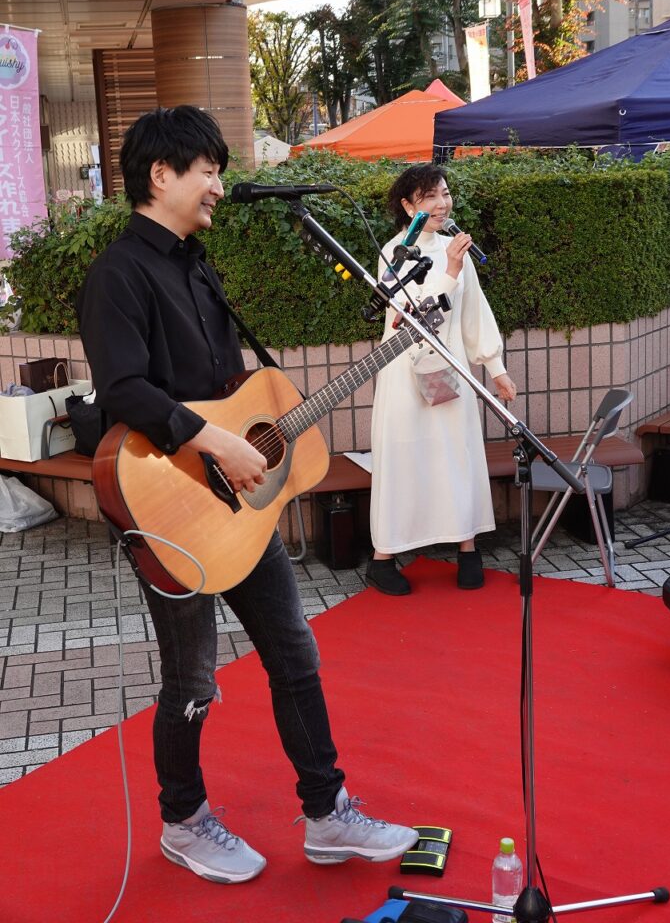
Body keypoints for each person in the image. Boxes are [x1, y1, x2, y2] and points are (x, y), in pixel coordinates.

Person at [76, 106, 417, 885]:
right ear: (160, 174)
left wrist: (250, 433)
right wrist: (216, 441)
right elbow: (124, 388)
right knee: (193, 680)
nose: (219, 188)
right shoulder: (118, 274)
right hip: (167, 505)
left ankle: (328, 813)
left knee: (295, 652)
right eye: (208, 172)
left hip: (237, 507)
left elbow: (230, 390)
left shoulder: (198, 266)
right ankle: (183, 820)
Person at [366, 163, 517, 597]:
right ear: (407, 205)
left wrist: (496, 368)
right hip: (404, 372)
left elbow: (474, 312)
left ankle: (468, 548)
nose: (441, 203)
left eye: (445, 193)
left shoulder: (456, 248)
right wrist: (450, 269)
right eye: (429, 196)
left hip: (451, 369)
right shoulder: (394, 251)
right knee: (403, 460)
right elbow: (411, 314)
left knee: (457, 454)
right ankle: (383, 558)